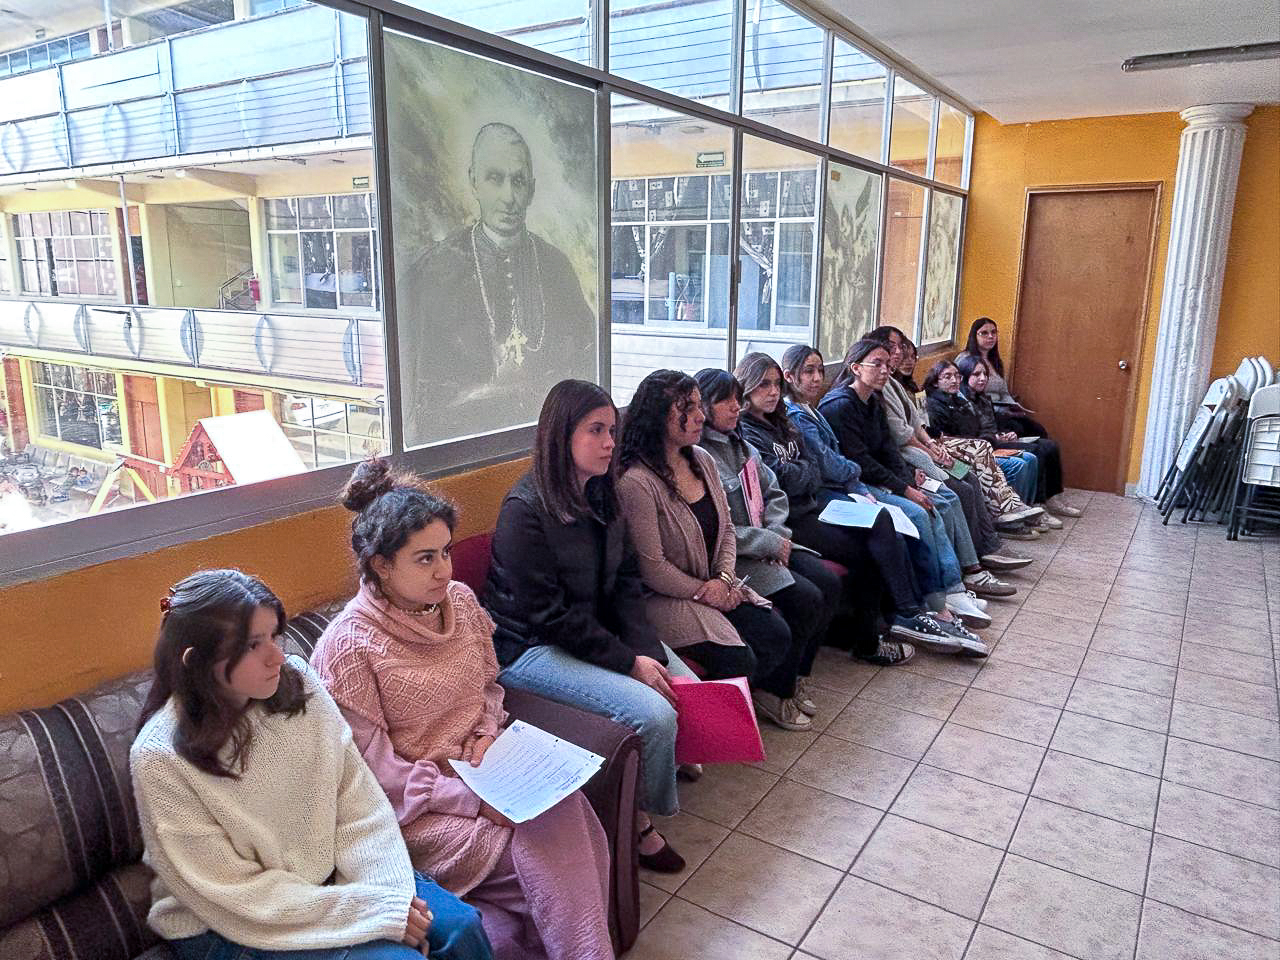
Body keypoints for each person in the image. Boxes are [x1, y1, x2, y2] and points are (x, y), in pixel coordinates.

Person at [313, 461, 613, 960]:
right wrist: (473, 800)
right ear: (381, 565)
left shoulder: (460, 602)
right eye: (425, 559)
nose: (445, 571)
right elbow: (373, 775)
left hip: (487, 770)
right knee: (549, 857)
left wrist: (487, 729)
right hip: (418, 810)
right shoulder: (347, 648)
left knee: (569, 808)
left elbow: (487, 686)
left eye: (446, 552)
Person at [130, 569, 492, 960]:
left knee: (463, 929)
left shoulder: (299, 683)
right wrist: (374, 914)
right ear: (195, 662)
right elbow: (234, 893)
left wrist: (390, 898)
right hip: (230, 920)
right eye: (252, 645)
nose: (276, 656)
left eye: (273, 636)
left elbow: (359, 804)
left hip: (328, 882)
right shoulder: (159, 758)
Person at [483, 378, 694, 874]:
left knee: (681, 680)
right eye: (596, 431)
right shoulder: (524, 511)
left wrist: (646, 652)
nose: (609, 443)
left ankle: (659, 768)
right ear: (562, 435)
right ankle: (637, 824)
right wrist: (628, 663)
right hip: (528, 648)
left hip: (588, 631)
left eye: (612, 430)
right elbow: (548, 616)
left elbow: (625, 582)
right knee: (654, 714)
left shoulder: (603, 493)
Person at [734, 351, 988, 659]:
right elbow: (790, 477)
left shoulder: (783, 421)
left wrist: (806, 472)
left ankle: (904, 619)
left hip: (813, 502)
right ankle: (912, 612)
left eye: (775, 384)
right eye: (764, 385)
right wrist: (809, 472)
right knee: (897, 520)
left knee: (883, 536)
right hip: (793, 518)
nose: (773, 391)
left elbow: (813, 468)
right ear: (746, 387)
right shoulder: (752, 429)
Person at [402, 123, 595, 440]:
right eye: (495, 178)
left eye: (518, 181)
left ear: (531, 189)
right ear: (474, 182)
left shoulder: (557, 266)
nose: (508, 197)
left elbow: (585, 361)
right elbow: (420, 397)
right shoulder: (432, 271)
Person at [818, 338, 1018, 615]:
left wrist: (910, 483)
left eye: (887, 364)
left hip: (885, 477)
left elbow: (888, 450)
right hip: (859, 484)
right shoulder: (840, 406)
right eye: (877, 364)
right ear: (855, 368)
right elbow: (861, 461)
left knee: (939, 502)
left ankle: (955, 587)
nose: (885, 370)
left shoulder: (873, 400)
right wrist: (905, 489)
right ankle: (937, 598)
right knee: (920, 513)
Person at [692, 367, 843, 725]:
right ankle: (775, 692)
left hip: (770, 544)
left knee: (829, 583)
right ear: (704, 406)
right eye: (725, 401)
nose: (735, 406)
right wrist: (767, 542)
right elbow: (716, 528)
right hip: (739, 556)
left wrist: (778, 536)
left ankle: (797, 675)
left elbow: (774, 493)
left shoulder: (741, 444)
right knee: (805, 598)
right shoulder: (700, 455)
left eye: (736, 398)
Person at [614, 371, 766, 697]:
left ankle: (752, 704)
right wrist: (706, 592)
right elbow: (653, 568)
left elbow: (726, 528)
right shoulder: (637, 482)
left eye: (699, 405)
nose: (701, 416)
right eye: (688, 408)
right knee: (740, 658)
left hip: (713, 582)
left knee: (773, 632)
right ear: (658, 417)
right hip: (662, 598)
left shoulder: (702, 459)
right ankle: (726, 716)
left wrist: (723, 579)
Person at [863, 328, 1030, 590]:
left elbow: (916, 424)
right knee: (959, 490)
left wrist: (931, 444)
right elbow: (900, 435)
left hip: (922, 450)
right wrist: (930, 450)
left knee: (969, 477)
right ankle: (972, 564)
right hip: (911, 457)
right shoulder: (874, 392)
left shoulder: (895, 384)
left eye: (899, 348)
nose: (898, 354)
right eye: (891, 348)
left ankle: (989, 546)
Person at [962, 317, 1082, 518]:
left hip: (1001, 411)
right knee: (1036, 447)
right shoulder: (966, 360)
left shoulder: (994, 360)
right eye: (984, 333)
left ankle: (1053, 497)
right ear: (974, 336)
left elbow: (1003, 393)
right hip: (991, 418)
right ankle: (1037, 502)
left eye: (993, 332)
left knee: (1042, 435)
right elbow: (971, 398)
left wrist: (1015, 407)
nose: (990, 337)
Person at [918, 358, 1046, 537]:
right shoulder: (934, 404)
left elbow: (978, 426)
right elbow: (940, 436)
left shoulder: (960, 400)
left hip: (978, 444)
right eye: (947, 376)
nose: (954, 380)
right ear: (935, 382)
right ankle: (1004, 510)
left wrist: (994, 436)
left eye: (957, 376)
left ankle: (1015, 509)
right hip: (953, 450)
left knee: (1030, 454)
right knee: (1016, 463)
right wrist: (985, 439)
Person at [954, 352, 1070, 529]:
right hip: (983, 445)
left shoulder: (983, 397)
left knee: (1049, 445)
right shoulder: (963, 402)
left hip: (993, 439)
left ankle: (1046, 500)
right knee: (1034, 454)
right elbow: (972, 433)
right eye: (976, 374)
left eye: (985, 374)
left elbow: (990, 425)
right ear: (964, 376)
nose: (982, 378)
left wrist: (1004, 433)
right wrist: (995, 437)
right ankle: (1031, 506)